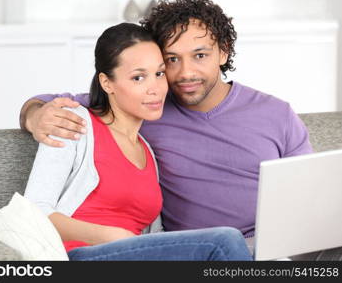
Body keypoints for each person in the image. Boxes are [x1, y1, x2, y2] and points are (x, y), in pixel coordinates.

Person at [20, 0, 341, 260]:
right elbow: (67, 102)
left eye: (199, 55)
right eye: (171, 60)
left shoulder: (277, 115)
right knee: (226, 242)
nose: (185, 72)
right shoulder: (144, 108)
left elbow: (307, 204)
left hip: (266, 251)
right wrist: (34, 116)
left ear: (223, 51)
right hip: (201, 251)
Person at [24, 22, 253, 261]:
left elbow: (155, 237)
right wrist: (108, 236)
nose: (154, 88)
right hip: (79, 256)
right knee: (224, 242)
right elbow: (34, 211)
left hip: (136, 258)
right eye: (138, 78)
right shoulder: (73, 123)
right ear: (107, 83)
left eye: (159, 73)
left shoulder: (148, 151)